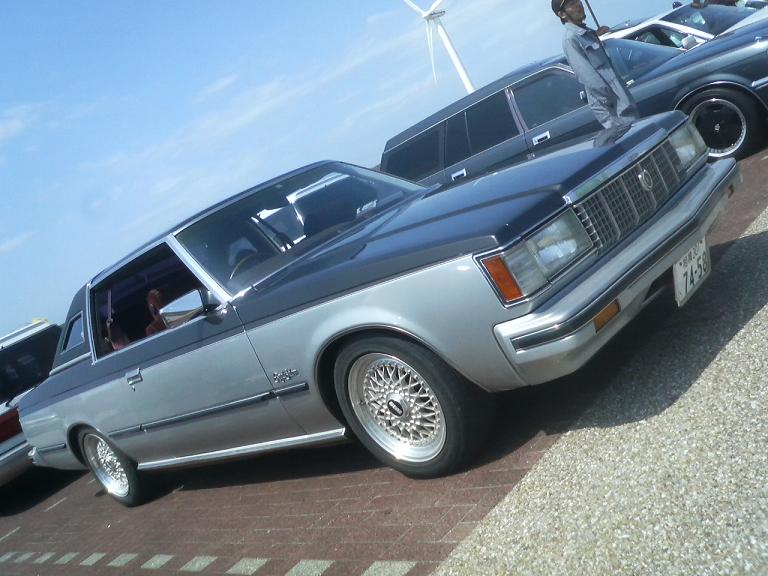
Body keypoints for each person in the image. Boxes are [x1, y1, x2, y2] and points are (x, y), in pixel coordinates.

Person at [552, 0, 640, 129]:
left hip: (621, 100)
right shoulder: (570, 39)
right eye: (572, 4)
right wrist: (612, 99)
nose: (578, 4)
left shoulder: (587, 33)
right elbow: (588, 77)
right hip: (613, 108)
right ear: (562, 14)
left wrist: (598, 34)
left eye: (578, 0)